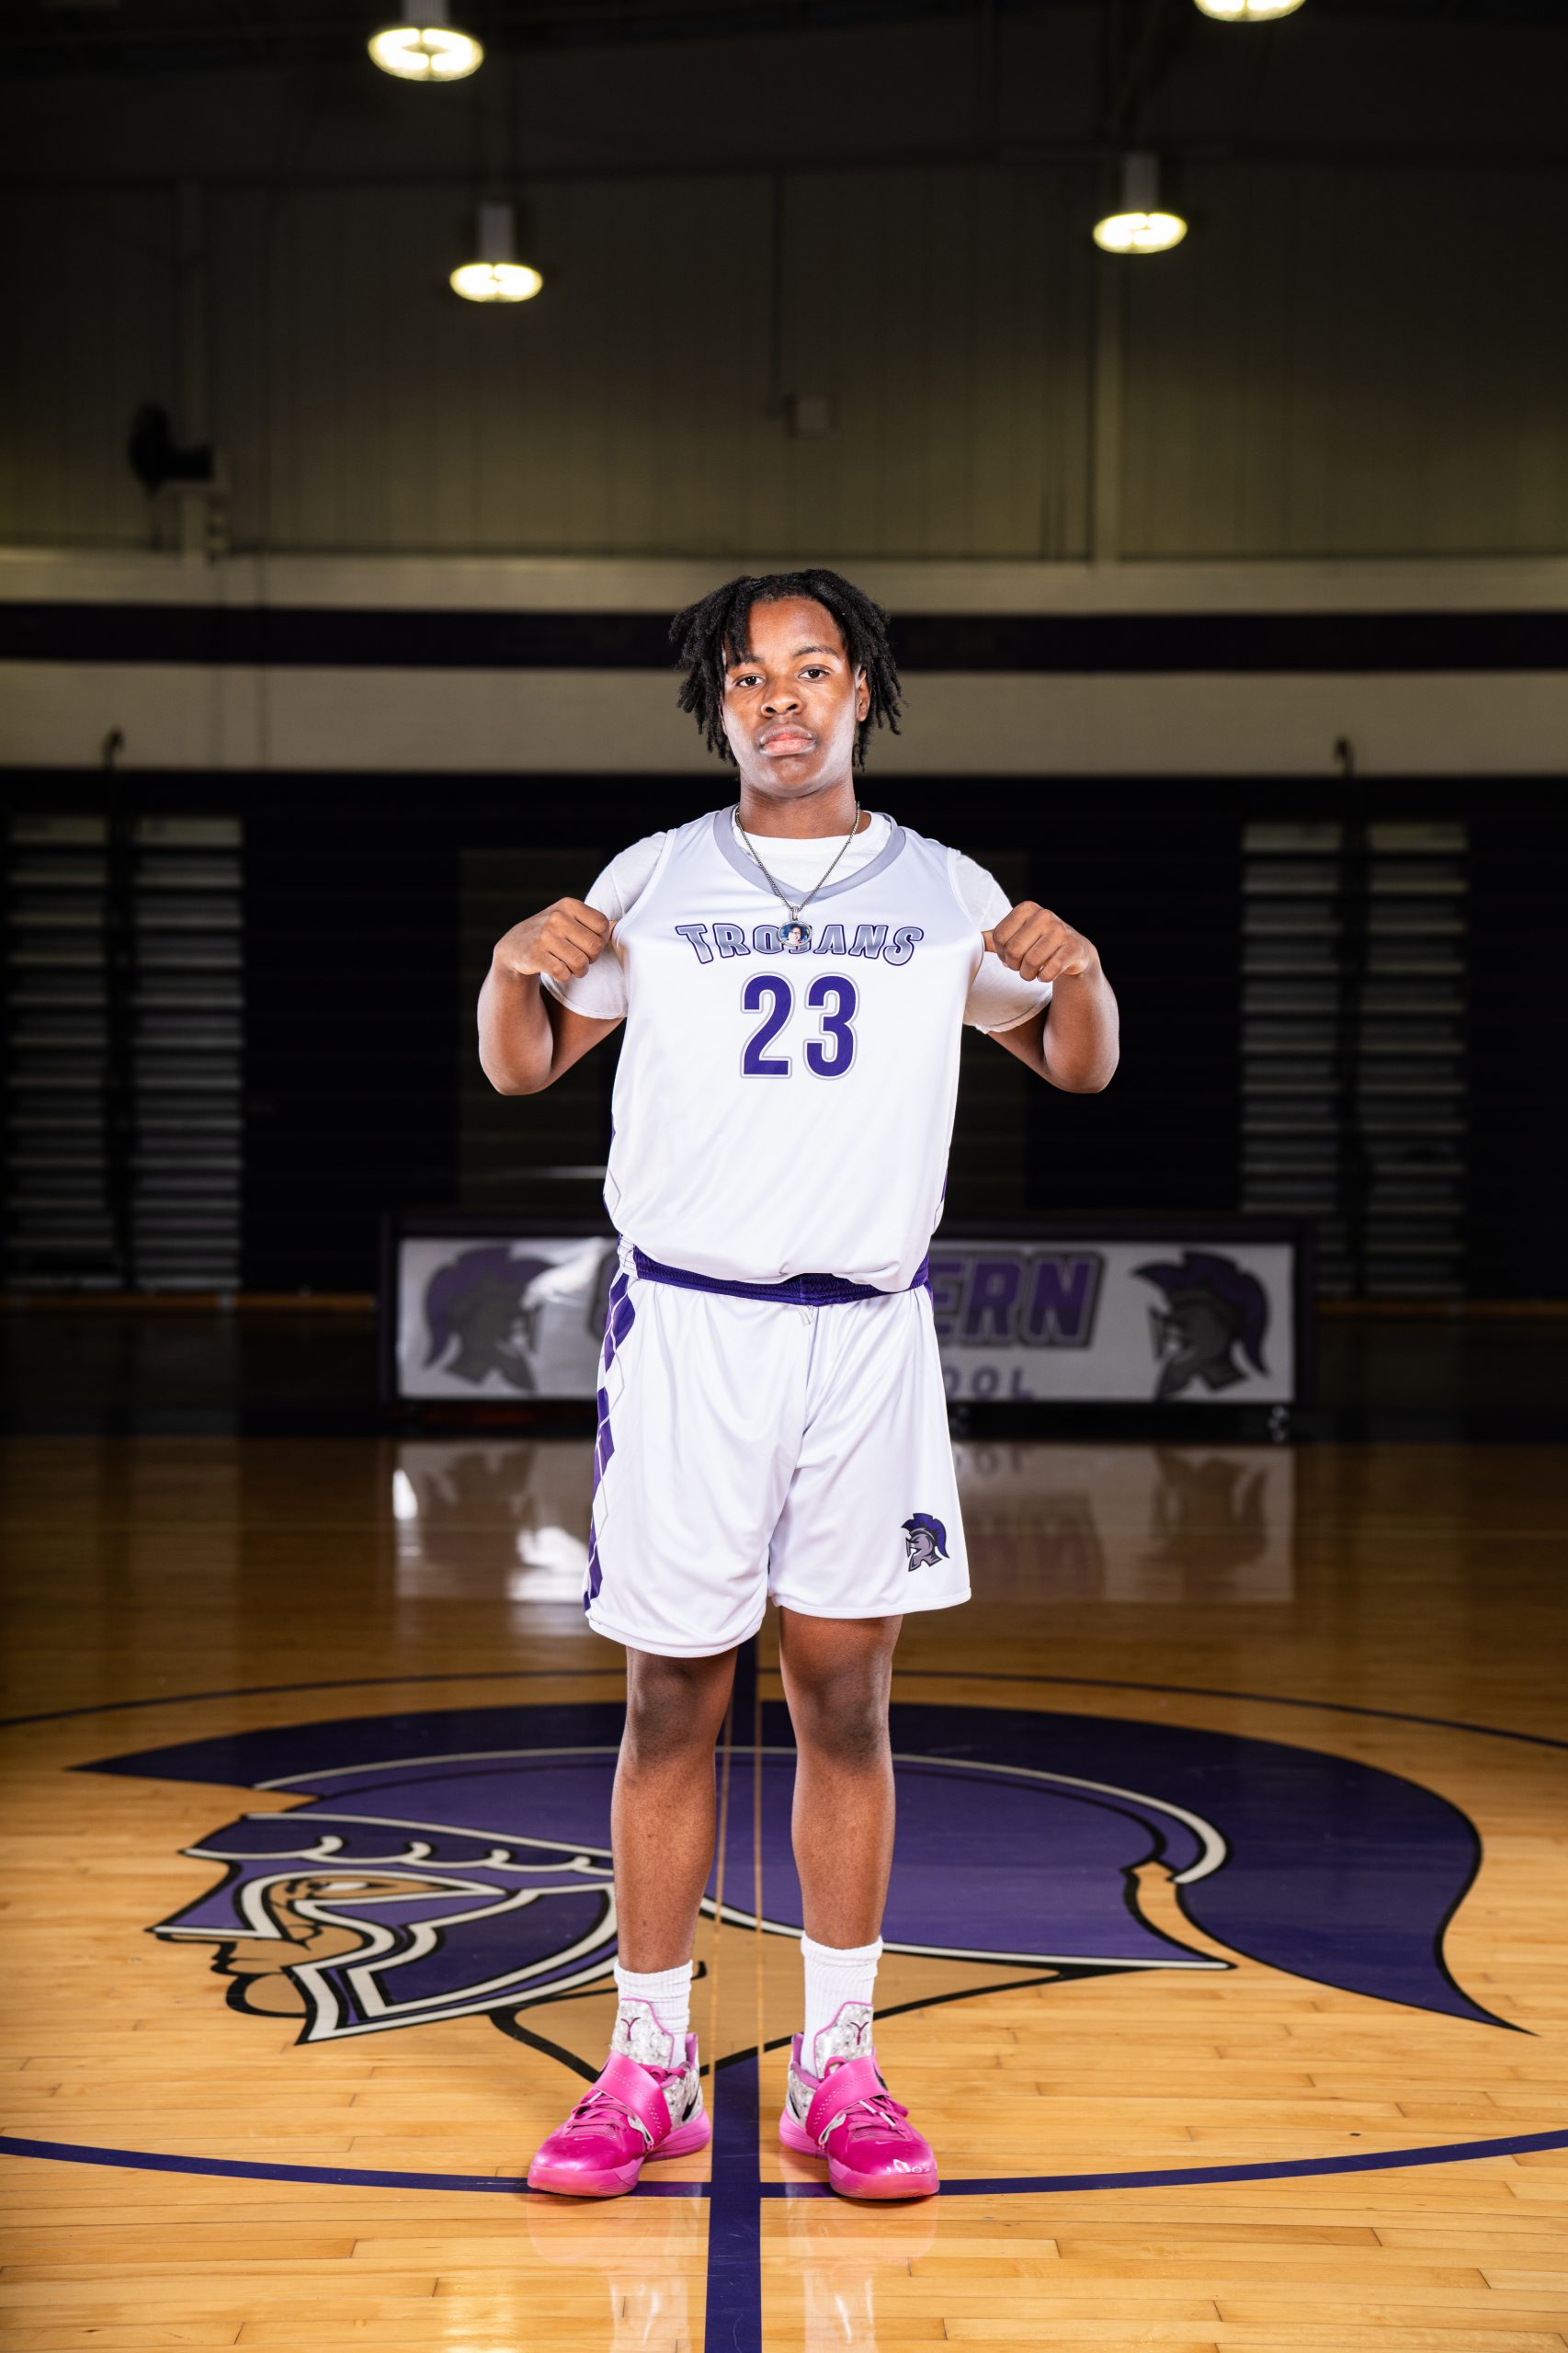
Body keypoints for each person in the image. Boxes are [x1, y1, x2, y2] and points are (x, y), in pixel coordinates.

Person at [477, 568, 1119, 2200]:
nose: (780, 698)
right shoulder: (653, 874)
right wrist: (508, 967)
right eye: (749, 676)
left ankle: (839, 2068)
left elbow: (1074, 1063)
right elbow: (526, 1063)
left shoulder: (943, 887)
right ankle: (648, 2065)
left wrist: (1084, 974)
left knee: (843, 1699)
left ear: (861, 694)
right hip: (693, 1333)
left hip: (864, 1340)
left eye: (812, 669)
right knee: (670, 1700)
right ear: (718, 708)